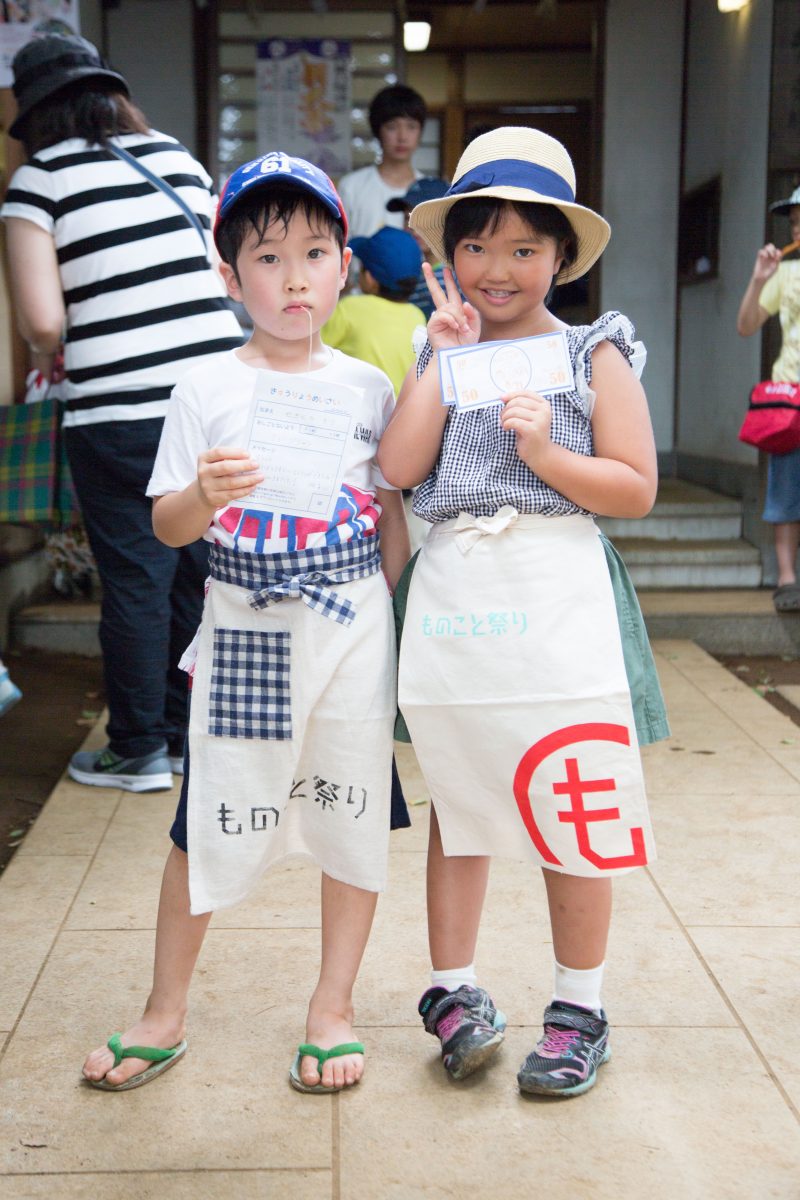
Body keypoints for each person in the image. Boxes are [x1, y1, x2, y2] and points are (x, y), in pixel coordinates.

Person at [82, 151, 410, 1095]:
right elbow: (166, 525)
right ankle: (164, 1011)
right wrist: (202, 492)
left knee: (350, 815)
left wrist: (383, 615)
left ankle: (332, 1009)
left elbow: (386, 510)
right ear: (229, 277)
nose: (294, 276)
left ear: (343, 263)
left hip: (349, 639)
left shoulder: (364, 389)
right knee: (211, 817)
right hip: (248, 641)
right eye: (268, 258)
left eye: (314, 252)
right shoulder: (204, 388)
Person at [378, 126, 660, 1098]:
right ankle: (451, 994)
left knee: (570, 803)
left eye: (522, 248)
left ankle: (579, 1007)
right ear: (447, 252)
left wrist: (547, 458)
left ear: (560, 256)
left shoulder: (593, 350)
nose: (495, 269)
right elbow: (399, 470)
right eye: (475, 245)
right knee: (461, 803)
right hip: (458, 597)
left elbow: (631, 487)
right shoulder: (440, 347)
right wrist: (436, 359)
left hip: (554, 592)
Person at [1, 34, 243, 790]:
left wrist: (51, 352)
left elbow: (42, 323)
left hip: (119, 408)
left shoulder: (37, 180)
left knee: (136, 575)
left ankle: (138, 747)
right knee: (200, 572)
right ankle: (192, 737)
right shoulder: (176, 157)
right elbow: (220, 273)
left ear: (34, 113)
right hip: (216, 395)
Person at [736, 186, 800, 612]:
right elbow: (746, 325)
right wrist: (760, 276)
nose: (797, 228)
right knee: (786, 488)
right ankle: (788, 580)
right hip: (790, 395)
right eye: (795, 222)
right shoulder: (787, 273)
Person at [322, 225, 425, 396]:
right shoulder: (417, 316)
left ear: (370, 278)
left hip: (357, 414)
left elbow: (312, 351)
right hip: (401, 415)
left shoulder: (350, 308)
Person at [336, 84, 426, 240]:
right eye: (392, 127)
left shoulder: (430, 192)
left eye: (411, 127)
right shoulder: (351, 187)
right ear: (378, 131)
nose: (402, 137)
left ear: (420, 132)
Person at [386, 177, 450, 319]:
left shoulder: (455, 278)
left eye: (423, 218)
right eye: (407, 218)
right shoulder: (417, 273)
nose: (413, 226)